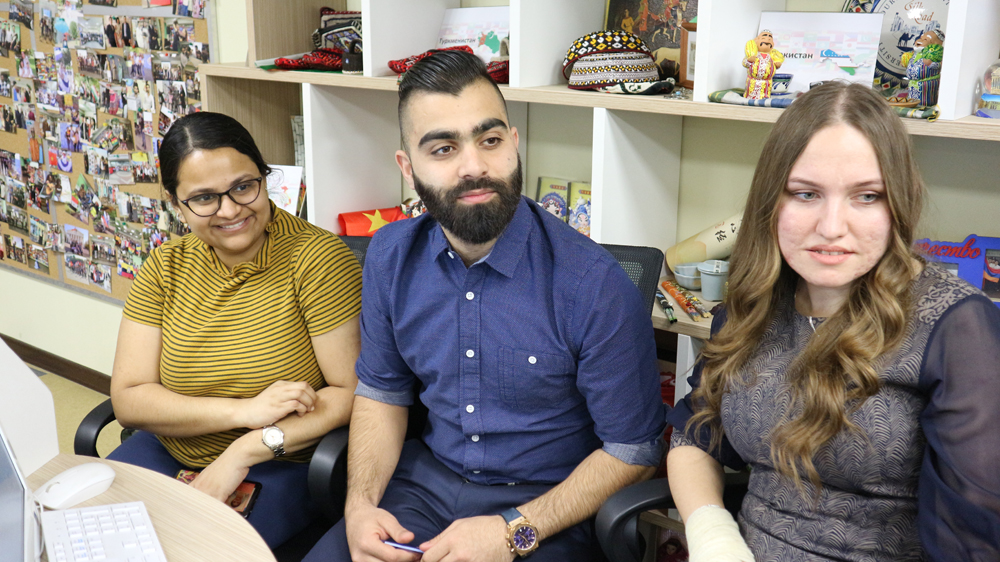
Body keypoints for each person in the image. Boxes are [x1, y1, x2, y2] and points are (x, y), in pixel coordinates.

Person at [303, 50, 664, 562]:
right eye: (443, 148)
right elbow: (383, 393)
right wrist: (359, 506)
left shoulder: (593, 284)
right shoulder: (390, 256)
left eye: (490, 140)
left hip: (546, 508)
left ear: (514, 144)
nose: (474, 166)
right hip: (422, 489)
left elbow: (634, 451)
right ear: (408, 168)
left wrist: (513, 531)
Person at [666, 82, 1000, 561]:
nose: (831, 227)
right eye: (806, 194)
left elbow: (972, 540)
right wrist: (713, 536)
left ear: (898, 203)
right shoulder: (756, 300)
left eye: (866, 196)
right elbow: (696, 433)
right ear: (771, 201)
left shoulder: (956, 328)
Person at [107, 112, 364, 549]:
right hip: (168, 449)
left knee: (189, 551)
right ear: (175, 202)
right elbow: (129, 398)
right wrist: (242, 411)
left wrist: (244, 449)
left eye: (244, 187)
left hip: (279, 460)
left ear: (264, 176)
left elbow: (350, 392)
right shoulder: (165, 267)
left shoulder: (316, 259)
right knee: (85, 533)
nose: (230, 210)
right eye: (204, 198)